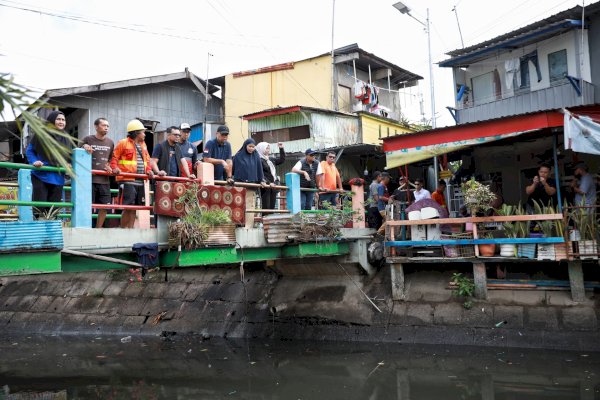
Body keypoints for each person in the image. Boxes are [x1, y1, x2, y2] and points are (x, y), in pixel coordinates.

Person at [26, 110, 73, 217]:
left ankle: (50, 231)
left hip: (58, 176)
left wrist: (68, 163)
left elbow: (69, 155)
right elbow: (30, 150)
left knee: (54, 207)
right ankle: (38, 229)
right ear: (51, 120)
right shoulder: (41, 133)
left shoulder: (66, 137)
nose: (61, 122)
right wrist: (34, 161)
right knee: (40, 205)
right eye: (58, 119)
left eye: (63, 120)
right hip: (40, 174)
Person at [110, 119, 155, 228]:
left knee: (135, 207)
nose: (145, 134)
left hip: (140, 180)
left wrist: (149, 170)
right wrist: (114, 168)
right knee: (128, 206)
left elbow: (147, 161)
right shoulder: (123, 143)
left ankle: (130, 230)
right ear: (136, 133)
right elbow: (114, 158)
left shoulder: (144, 145)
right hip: (127, 179)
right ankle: (123, 231)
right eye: (143, 132)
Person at [81, 117, 114, 228]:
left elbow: (110, 159)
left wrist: (109, 166)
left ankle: (98, 229)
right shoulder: (87, 139)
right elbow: (76, 153)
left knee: (105, 206)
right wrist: (84, 146)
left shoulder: (110, 142)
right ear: (96, 127)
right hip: (89, 179)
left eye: (108, 126)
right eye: (104, 125)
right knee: (87, 206)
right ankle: (86, 228)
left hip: (104, 180)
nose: (106, 128)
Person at [256, 141, 285, 209]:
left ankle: (270, 219)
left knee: (272, 206)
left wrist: (281, 149)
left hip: (273, 186)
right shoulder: (259, 160)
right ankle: (264, 219)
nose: (268, 150)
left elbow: (282, 160)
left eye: (269, 148)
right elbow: (260, 174)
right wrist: (269, 183)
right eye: (266, 148)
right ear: (261, 149)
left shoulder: (270, 159)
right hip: (265, 187)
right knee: (266, 207)